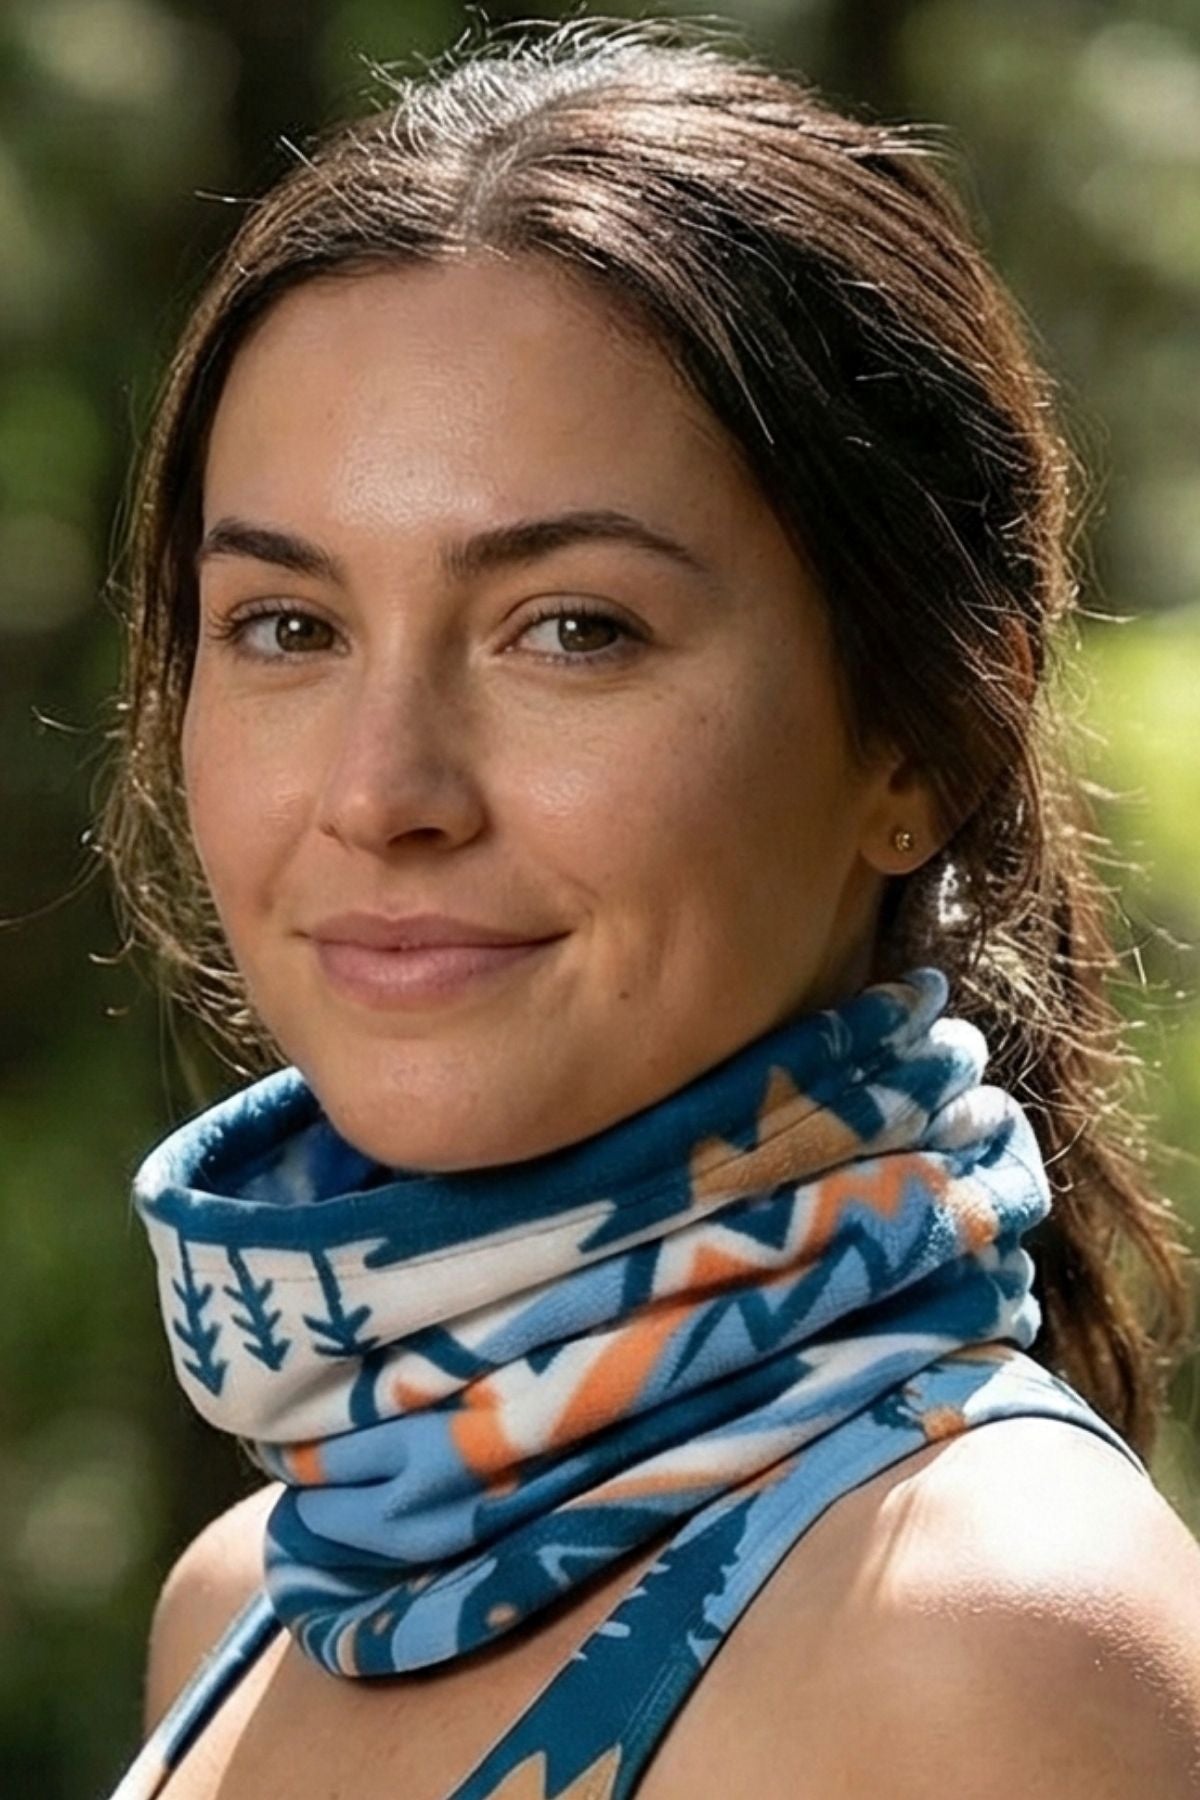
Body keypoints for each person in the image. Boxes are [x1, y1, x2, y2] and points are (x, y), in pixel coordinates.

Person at [97, 14, 1200, 1799]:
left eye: (573, 628)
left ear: (922, 737)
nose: (382, 794)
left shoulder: (981, 1650)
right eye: (288, 629)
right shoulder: (247, 1606)